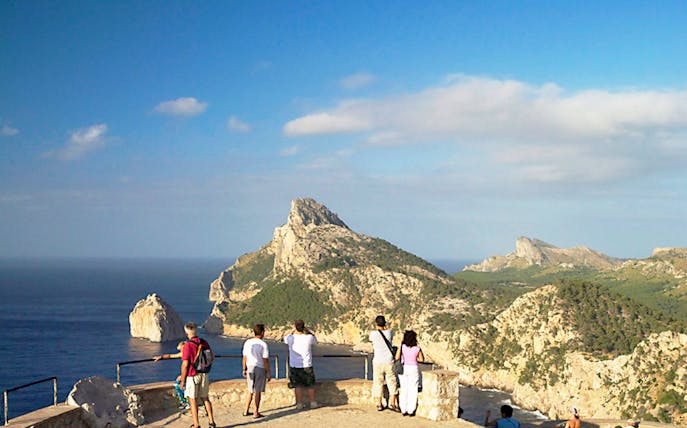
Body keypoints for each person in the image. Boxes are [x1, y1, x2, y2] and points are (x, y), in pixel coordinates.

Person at [180, 322, 216, 428]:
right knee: (205, 398)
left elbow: (185, 364)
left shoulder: (187, 346)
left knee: (192, 400)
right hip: (204, 374)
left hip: (192, 376)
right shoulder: (204, 342)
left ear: (187, 334)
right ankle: (211, 422)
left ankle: (196, 425)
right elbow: (212, 357)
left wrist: (183, 380)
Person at [284, 319, 318, 409]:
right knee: (310, 385)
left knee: (297, 386)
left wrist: (292, 331)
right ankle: (313, 403)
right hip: (307, 365)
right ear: (304, 327)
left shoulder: (290, 338)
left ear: (295, 327)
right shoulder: (308, 337)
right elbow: (314, 339)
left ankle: (299, 404)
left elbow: (285, 338)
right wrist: (307, 331)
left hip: (294, 365)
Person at [369, 315, 399, 412]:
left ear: (376, 324)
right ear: (385, 323)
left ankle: (379, 403)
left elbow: (372, 341)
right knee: (392, 381)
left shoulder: (373, 334)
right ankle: (392, 402)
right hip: (389, 361)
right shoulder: (389, 333)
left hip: (378, 361)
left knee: (378, 382)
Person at [242, 323, 271, 419]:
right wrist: (268, 372)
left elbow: (244, 357)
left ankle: (245, 410)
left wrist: (244, 369)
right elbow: (265, 360)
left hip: (249, 367)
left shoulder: (247, 342)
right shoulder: (263, 344)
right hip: (260, 368)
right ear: (262, 332)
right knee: (257, 391)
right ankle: (255, 412)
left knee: (250, 390)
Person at [395, 330, 425, 417]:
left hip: (404, 368)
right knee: (413, 389)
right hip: (413, 368)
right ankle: (411, 410)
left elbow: (397, 357)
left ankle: (403, 409)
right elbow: (422, 359)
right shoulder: (417, 348)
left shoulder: (402, 347)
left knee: (404, 389)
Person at [153, 341, 188, 410]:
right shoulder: (184, 354)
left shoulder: (186, 354)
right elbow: (170, 356)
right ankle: (185, 402)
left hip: (189, 375)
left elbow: (186, 367)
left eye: (181, 349)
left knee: (179, 386)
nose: (180, 350)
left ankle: (186, 403)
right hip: (187, 374)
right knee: (178, 385)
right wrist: (161, 357)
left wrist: (182, 377)